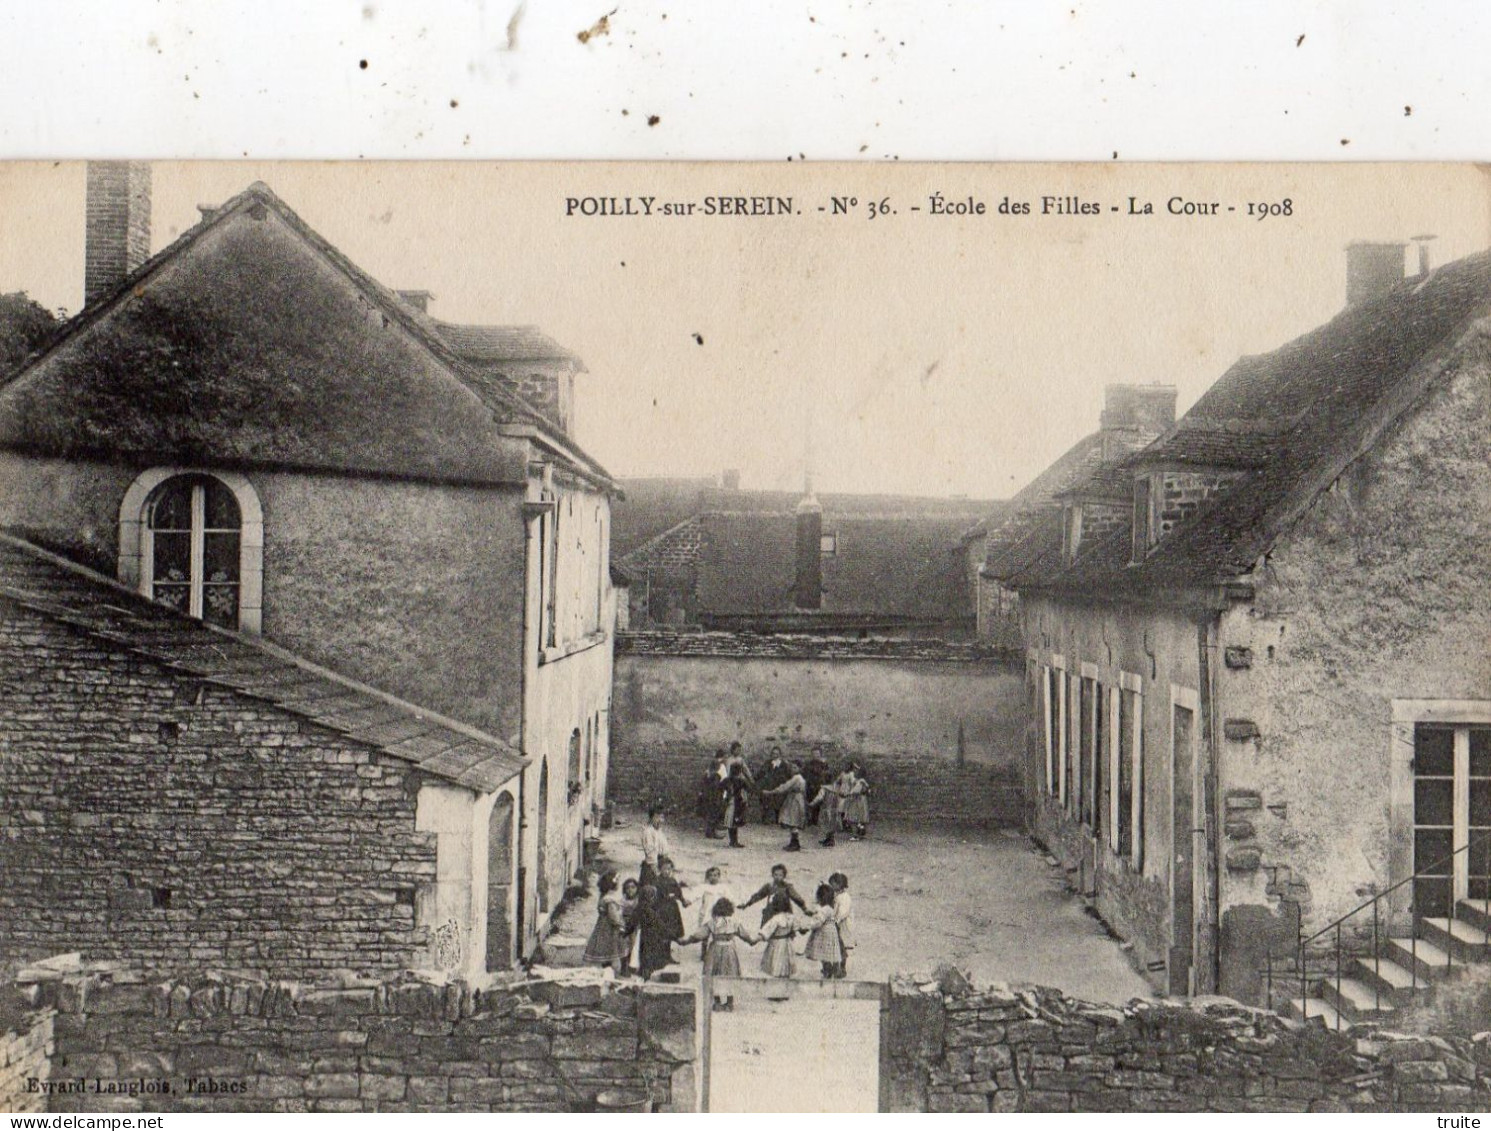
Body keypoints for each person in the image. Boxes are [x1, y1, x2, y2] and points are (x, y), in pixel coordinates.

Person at [680, 897, 762, 979]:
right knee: (730, 975)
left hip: (715, 950)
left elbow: (697, 936)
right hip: (730, 951)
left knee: (712, 975)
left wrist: (686, 941)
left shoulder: (712, 922)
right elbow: (748, 938)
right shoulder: (734, 923)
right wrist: (759, 938)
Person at [582, 870, 630, 974]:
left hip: (602, 926)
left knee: (606, 946)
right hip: (610, 927)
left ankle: (607, 968)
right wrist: (620, 923)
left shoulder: (604, 896)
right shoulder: (610, 899)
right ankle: (623, 970)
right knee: (620, 946)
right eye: (617, 882)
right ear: (612, 884)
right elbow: (613, 916)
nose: (619, 884)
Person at [740, 863, 808, 927]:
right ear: (772, 875)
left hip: (784, 913)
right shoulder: (769, 886)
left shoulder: (787, 887)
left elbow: (796, 898)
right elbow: (758, 896)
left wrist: (804, 909)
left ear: (784, 876)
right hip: (770, 914)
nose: (778, 877)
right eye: (776, 875)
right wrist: (746, 904)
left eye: (780, 875)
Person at [761, 762, 808, 851]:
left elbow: (785, 787)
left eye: (795, 767)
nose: (792, 769)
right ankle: (793, 842)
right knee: (793, 821)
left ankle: (795, 844)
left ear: (800, 769)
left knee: (793, 821)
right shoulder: (800, 778)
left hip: (795, 800)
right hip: (796, 799)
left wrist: (770, 792)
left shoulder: (796, 778)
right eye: (792, 767)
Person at [803, 883, 845, 980]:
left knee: (823, 954)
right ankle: (834, 970)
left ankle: (828, 970)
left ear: (820, 898)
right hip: (831, 932)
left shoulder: (824, 910)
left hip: (824, 934)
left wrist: (807, 927)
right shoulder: (830, 908)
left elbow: (818, 921)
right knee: (831, 954)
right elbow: (820, 915)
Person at [634, 884, 676, 980]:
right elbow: (660, 924)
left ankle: (644, 972)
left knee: (644, 955)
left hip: (643, 936)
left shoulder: (639, 907)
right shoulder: (650, 910)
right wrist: (673, 936)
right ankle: (646, 975)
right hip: (652, 936)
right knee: (649, 956)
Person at [759, 904, 802, 979]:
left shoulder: (776, 918)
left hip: (776, 944)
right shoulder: (791, 917)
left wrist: (755, 939)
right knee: (786, 966)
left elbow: (766, 932)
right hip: (787, 943)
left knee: (776, 965)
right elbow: (797, 928)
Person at [654, 856, 690, 945]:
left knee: (672, 929)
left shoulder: (673, 880)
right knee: (663, 931)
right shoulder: (657, 881)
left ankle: (669, 949)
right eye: (664, 869)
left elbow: (678, 892)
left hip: (672, 908)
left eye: (669, 869)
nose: (667, 871)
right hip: (662, 908)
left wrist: (683, 901)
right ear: (659, 869)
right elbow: (657, 895)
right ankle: (663, 953)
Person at [756, 746, 790, 825]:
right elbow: (761, 773)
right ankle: (765, 819)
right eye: (773, 753)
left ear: (779, 754)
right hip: (769, 785)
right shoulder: (768, 763)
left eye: (777, 754)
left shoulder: (784, 764)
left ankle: (778, 819)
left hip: (779, 786)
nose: (775, 755)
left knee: (778, 802)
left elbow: (787, 775)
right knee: (766, 801)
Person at [698, 752, 728, 839]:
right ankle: (712, 832)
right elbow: (720, 786)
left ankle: (709, 832)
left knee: (710, 814)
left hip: (709, 797)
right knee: (714, 814)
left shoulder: (707, 774)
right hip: (715, 797)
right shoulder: (717, 776)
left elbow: (703, 785)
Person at [811, 773, 845, 848]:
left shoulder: (824, 788)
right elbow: (841, 797)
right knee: (832, 824)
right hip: (834, 809)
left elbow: (819, 797)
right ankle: (829, 838)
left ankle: (830, 840)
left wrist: (812, 803)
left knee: (826, 824)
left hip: (826, 808)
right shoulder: (836, 789)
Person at [640, 806, 671, 888]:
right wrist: (656, 871)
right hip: (652, 866)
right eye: (658, 817)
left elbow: (665, 851)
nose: (660, 820)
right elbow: (650, 852)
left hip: (661, 864)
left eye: (662, 817)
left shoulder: (660, 832)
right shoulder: (648, 832)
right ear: (652, 817)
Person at [830, 872, 853, 978]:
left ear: (840, 884)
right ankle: (837, 969)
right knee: (837, 947)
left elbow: (843, 912)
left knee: (841, 947)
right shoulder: (837, 895)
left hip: (842, 925)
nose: (831, 886)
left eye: (833, 884)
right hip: (837, 923)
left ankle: (842, 969)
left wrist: (836, 921)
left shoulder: (845, 897)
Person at [723, 761, 751, 848]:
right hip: (738, 802)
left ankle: (732, 841)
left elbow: (720, 788)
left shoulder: (727, 780)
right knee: (735, 821)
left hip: (729, 802)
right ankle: (734, 841)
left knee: (730, 821)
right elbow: (749, 788)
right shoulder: (741, 780)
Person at [694, 865, 731, 930]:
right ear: (707, 877)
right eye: (710, 875)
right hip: (706, 913)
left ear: (719, 876)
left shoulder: (723, 887)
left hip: (719, 913)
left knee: (719, 929)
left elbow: (730, 899)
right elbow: (694, 896)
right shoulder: (703, 887)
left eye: (715, 875)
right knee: (703, 930)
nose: (713, 877)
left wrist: (740, 905)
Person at [803, 748, 832, 826]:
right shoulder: (808, 764)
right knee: (810, 801)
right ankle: (810, 820)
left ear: (820, 755)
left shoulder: (824, 764)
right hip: (810, 786)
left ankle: (816, 820)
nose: (815, 755)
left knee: (818, 803)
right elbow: (805, 774)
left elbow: (828, 775)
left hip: (820, 786)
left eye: (817, 754)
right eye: (814, 754)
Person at [843, 763, 871, 840]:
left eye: (856, 770)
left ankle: (855, 835)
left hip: (857, 800)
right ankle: (859, 831)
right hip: (861, 800)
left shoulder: (860, 781)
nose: (854, 772)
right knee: (858, 818)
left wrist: (848, 794)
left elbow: (856, 791)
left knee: (853, 818)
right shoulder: (862, 781)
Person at [619, 878, 641, 976]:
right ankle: (624, 967)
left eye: (633, 887)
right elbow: (619, 913)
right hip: (625, 924)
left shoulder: (638, 900)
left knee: (634, 945)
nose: (630, 890)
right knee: (624, 945)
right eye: (628, 888)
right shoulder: (622, 900)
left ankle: (632, 965)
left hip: (635, 925)